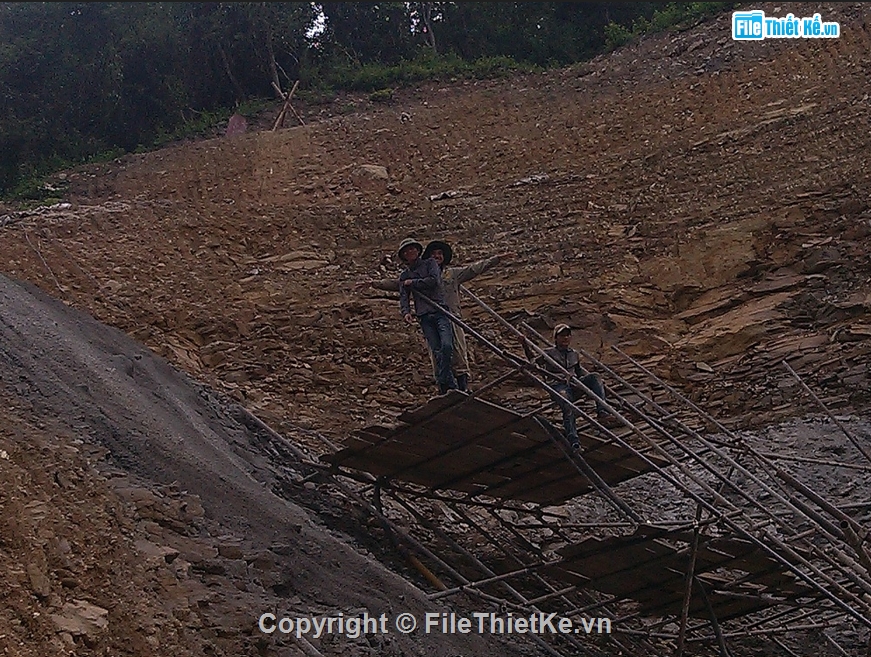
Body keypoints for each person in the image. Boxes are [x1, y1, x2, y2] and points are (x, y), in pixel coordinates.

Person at [360, 239, 509, 391]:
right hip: (431, 314)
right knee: (436, 353)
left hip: (452, 316)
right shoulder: (419, 274)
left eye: (440, 254)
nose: (437, 256)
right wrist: (375, 284)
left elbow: (474, 269)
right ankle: (445, 386)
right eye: (433, 254)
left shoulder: (452, 274)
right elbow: (397, 284)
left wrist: (495, 260)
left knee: (456, 352)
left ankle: (462, 386)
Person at [534, 324, 618, 449]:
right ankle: (574, 440)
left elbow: (580, 373)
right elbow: (533, 362)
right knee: (568, 406)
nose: (565, 338)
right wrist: (524, 344)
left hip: (572, 384)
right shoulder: (548, 353)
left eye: (568, 335)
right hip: (558, 386)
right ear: (556, 338)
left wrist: (597, 384)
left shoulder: (574, 354)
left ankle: (602, 412)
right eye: (562, 336)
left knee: (595, 377)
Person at [396, 237, 458, 394]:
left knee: (447, 346)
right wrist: (406, 312)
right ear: (403, 255)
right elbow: (403, 296)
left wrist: (414, 283)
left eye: (412, 249)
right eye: (406, 251)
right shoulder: (404, 276)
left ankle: (446, 381)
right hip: (424, 316)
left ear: (417, 251)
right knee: (436, 350)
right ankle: (449, 386)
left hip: (440, 311)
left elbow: (434, 281)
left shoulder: (430, 264)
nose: (410, 252)